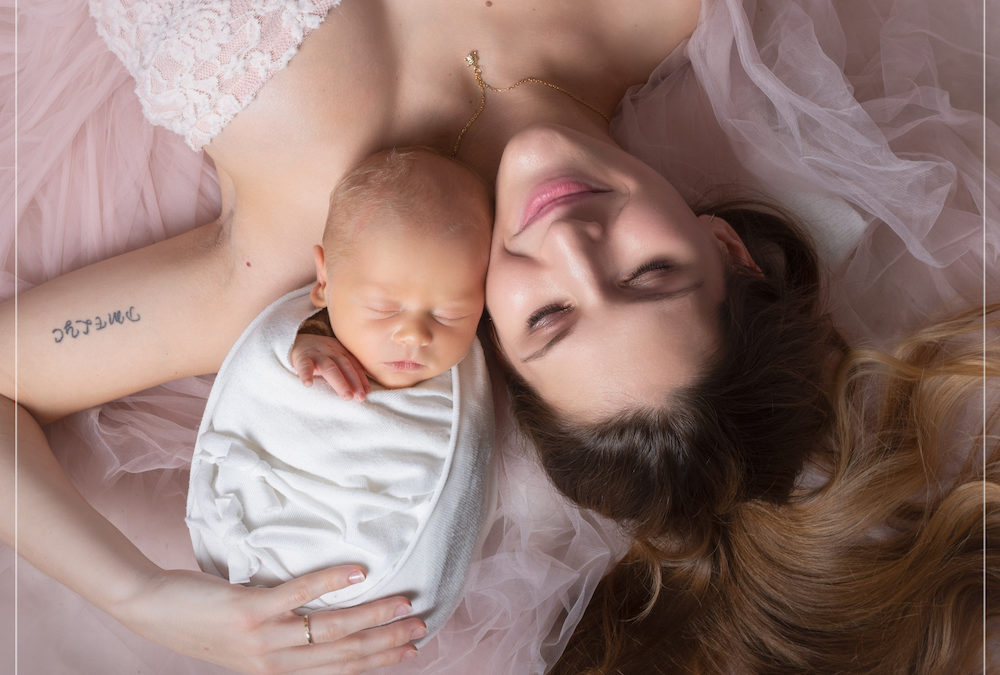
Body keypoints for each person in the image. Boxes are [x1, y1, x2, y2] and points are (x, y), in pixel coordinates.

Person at [2, 0, 996, 672]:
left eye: (552, 316)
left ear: (494, 351)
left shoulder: (284, 266)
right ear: (727, 249)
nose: (570, 241)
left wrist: (138, 598)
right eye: (649, 274)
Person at [187, 145, 494, 648]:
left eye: (449, 313)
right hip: (249, 546)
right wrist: (306, 338)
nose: (414, 336)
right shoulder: (304, 336)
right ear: (325, 280)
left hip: (392, 594)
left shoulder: (467, 374)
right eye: (383, 307)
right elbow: (279, 357)